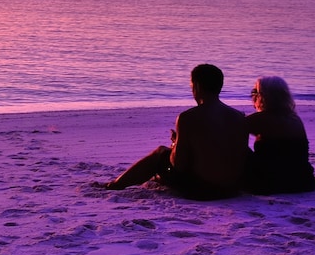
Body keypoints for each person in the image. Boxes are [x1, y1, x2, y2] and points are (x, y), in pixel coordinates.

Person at [105, 64, 248, 200]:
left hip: (204, 190)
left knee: (160, 153)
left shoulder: (188, 117)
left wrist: (175, 143)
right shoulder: (239, 117)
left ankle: (116, 185)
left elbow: (178, 164)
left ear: (197, 85)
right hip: (232, 189)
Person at [245, 76, 315, 194]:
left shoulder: (259, 119)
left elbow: (229, 132)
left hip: (270, 182)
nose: (252, 96)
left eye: (254, 92)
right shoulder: (295, 119)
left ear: (262, 96)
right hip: (302, 181)